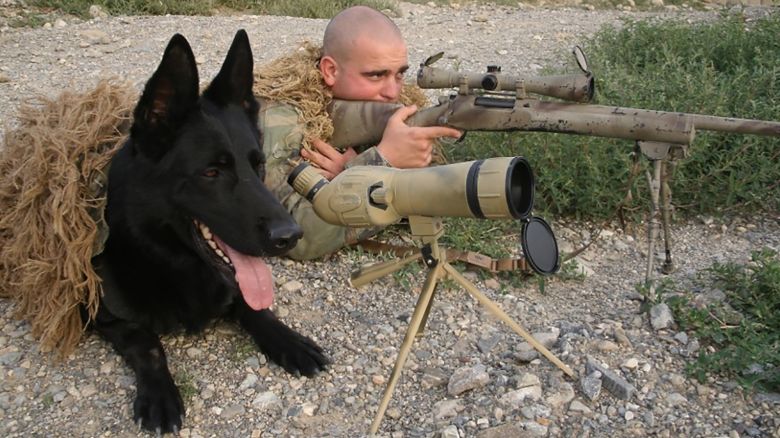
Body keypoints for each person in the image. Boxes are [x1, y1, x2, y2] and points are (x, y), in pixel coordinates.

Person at [258, 6, 461, 260]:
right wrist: (382, 163)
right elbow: (295, 237)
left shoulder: (389, 104)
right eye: (376, 75)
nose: (392, 92)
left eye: (399, 74)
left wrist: (350, 174)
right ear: (330, 71)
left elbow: (437, 193)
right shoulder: (281, 115)